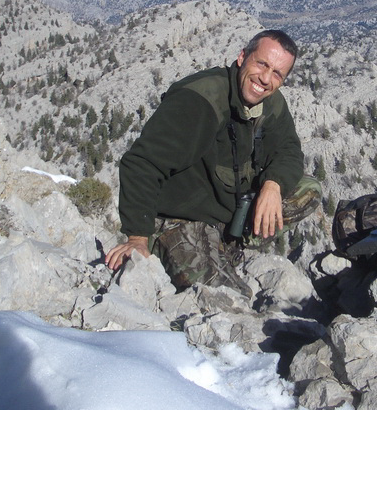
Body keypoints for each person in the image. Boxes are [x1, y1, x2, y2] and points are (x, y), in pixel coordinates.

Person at [106, 29, 321, 294]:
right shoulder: (200, 100)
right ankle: (165, 246)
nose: (265, 78)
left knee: (307, 189)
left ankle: (229, 244)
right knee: (229, 301)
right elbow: (142, 163)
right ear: (242, 57)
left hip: (225, 213)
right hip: (180, 219)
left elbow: (289, 150)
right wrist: (137, 237)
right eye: (262, 64)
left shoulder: (271, 103)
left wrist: (272, 185)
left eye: (277, 73)